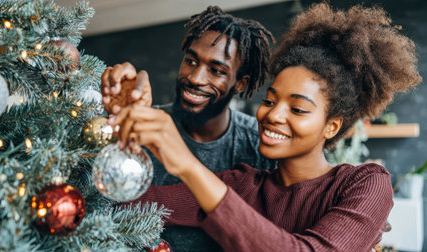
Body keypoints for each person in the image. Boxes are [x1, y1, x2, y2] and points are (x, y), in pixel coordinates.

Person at [111, 3, 422, 251]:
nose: (273, 115)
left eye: (298, 108)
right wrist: (116, 131)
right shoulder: (243, 184)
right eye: (271, 101)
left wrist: (189, 166)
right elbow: (128, 204)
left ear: (332, 126)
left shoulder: (364, 183)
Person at [101, 6, 276, 251]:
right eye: (191, 61)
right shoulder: (143, 125)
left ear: (240, 84)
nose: (195, 77)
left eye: (216, 71)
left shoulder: (259, 147)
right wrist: (113, 116)